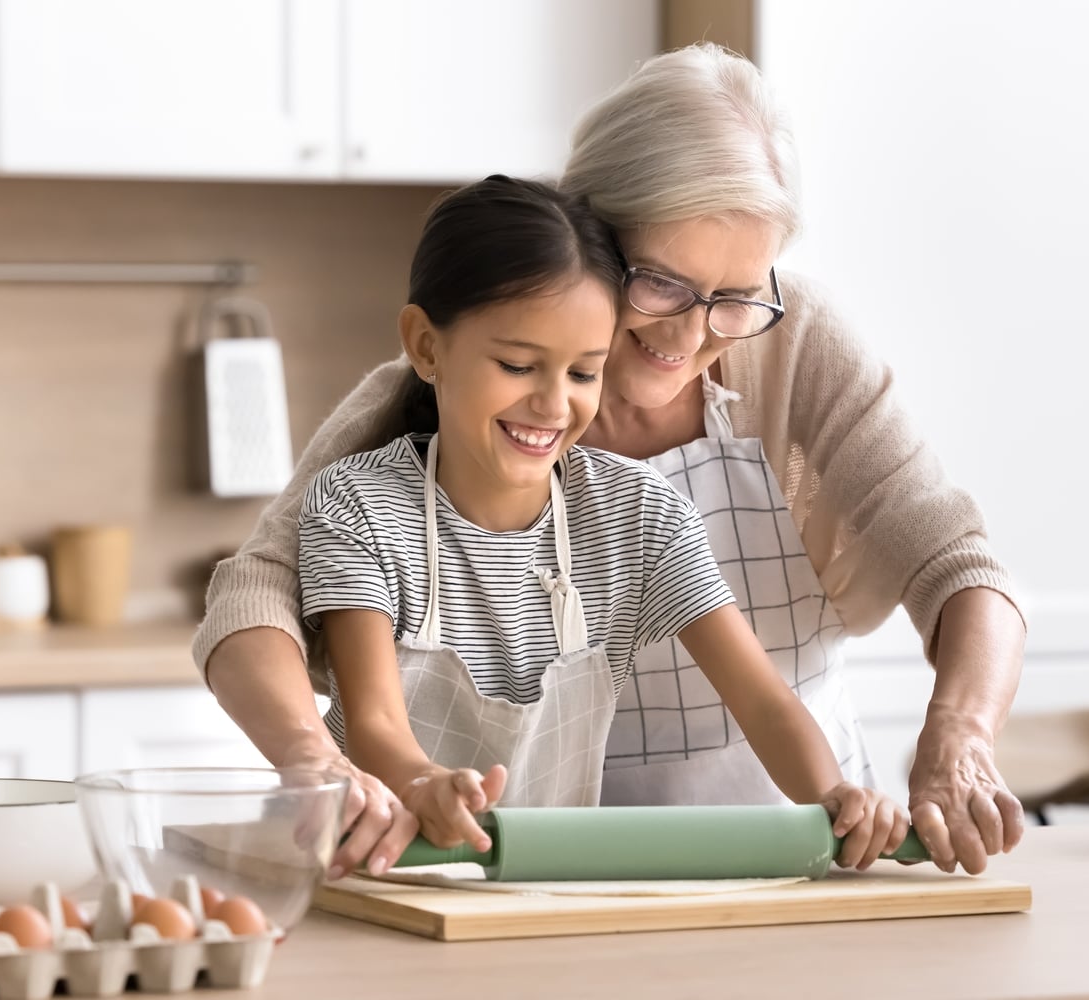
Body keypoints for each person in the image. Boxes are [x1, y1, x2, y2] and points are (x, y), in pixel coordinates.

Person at [192, 43, 1027, 879]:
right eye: (661, 283)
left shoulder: (766, 371)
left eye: (735, 298)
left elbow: (953, 563)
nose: (689, 335)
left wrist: (957, 734)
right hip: (542, 862)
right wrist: (314, 758)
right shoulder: (403, 447)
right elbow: (256, 595)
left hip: (784, 844)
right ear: (590, 231)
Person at [297, 174, 901, 867]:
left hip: (543, 889)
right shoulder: (358, 506)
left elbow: (765, 703)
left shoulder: (638, 513)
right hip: (380, 874)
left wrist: (836, 795)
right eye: (518, 365)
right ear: (426, 346)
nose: (553, 405)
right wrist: (421, 784)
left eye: (584, 374)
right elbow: (373, 721)